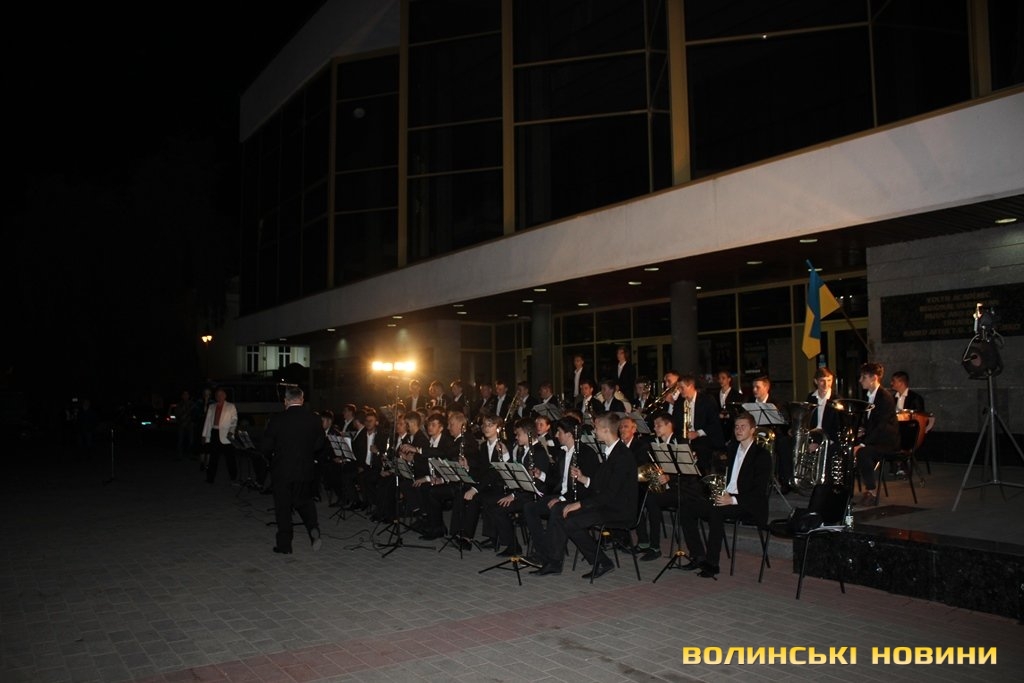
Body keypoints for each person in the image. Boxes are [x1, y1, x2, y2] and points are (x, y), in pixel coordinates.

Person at [533, 413, 638, 579]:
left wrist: (580, 504)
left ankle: (602, 562)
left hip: (618, 509)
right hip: (607, 504)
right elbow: (601, 485)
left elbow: (610, 494)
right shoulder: (611, 451)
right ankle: (554, 562)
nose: (594, 431)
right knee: (562, 514)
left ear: (606, 430)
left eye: (596, 428)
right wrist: (583, 479)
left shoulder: (622, 456)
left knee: (571, 521)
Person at [676, 411, 772, 578]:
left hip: (747, 503)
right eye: (736, 427)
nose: (738, 430)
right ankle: (698, 556)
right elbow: (717, 470)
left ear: (752, 430)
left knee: (716, 511)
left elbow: (758, 491)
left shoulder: (761, 455)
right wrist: (696, 462)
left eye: (743, 427)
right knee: (687, 508)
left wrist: (732, 499)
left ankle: (712, 564)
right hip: (726, 497)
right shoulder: (732, 448)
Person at [522, 416, 600, 567]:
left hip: (578, 499)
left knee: (556, 509)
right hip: (563, 495)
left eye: (559, 432)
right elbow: (556, 480)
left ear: (569, 434)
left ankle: (553, 562)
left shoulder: (587, 453)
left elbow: (588, 488)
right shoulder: (563, 452)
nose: (556, 435)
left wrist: (562, 499)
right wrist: (540, 475)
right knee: (530, 507)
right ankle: (542, 551)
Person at [259, 386, 328, 554]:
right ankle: (313, 529)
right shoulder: (313, 419)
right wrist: (307, 452)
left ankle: (285, 545)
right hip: (305, 469)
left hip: (282, 470)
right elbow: (320, 443)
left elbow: (266, 446)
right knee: (305, 502)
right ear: (302, 400)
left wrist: (272, 456)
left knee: (283, 507)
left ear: (286, 401)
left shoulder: (277, 419)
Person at [854, 362, 899, 504]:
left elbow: (881, 426)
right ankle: (844, 489)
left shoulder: (884, 397)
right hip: (875, 438)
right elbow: (871, 422)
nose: (860, 380)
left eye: (863, 377)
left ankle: (871, 491)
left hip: (886, 441)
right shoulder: (869, 396)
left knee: (863, 452)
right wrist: (861, 430)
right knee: (847, 446)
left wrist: (863, 443)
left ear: (874, 378)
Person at [202, 388, 238, 484]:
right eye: (217, 395)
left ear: (225, 396)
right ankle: (210, 478)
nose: (219, 396)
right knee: (213, 457)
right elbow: (207, 422)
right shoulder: (212, 406)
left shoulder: (231, 406)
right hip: (214, 432)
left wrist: (231, 431)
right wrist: (204, 435)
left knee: (230, 458)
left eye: (221, 395)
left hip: (226, 434)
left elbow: (234, 420)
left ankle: (233, 477)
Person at [807, 366, 840, 442]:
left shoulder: (837, 399)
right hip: (812, 437)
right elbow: (807, 421)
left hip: (829, 439)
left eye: (829, 380)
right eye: (822, 380)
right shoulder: (810, 397)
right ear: (816, 381)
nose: (826, 384)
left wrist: (818, 442)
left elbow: (837, 427)